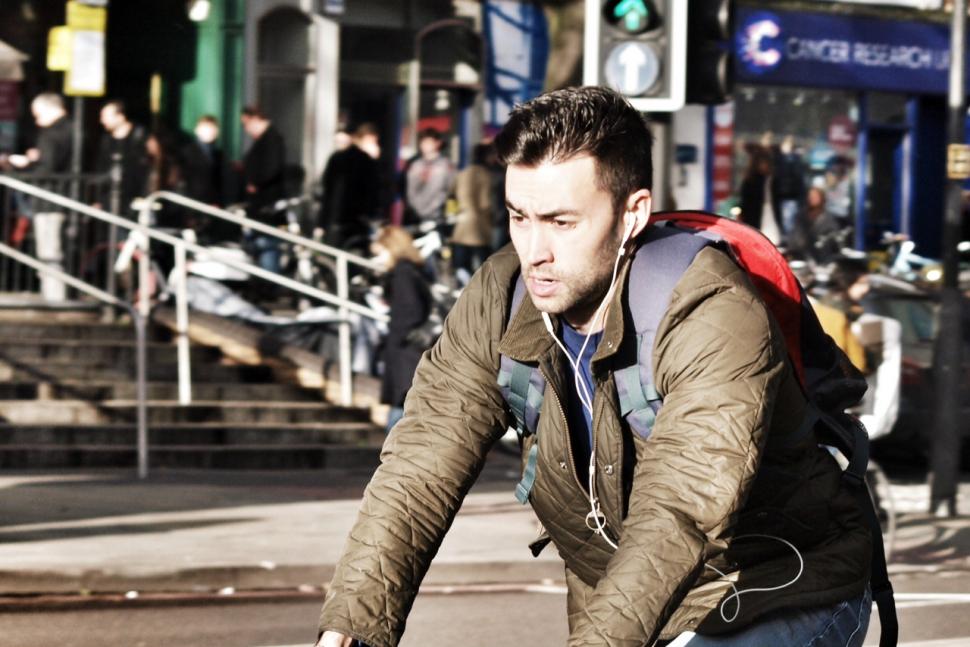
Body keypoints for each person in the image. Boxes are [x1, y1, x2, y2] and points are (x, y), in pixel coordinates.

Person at [316, 87, 872, 647]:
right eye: (518, 217)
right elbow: (421, 464)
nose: (534, 250)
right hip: (622, 603)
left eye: (561, 222)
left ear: (633, 214)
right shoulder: (501, 295)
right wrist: (350, 625)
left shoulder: (711, 311)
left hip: (774, 589)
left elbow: (678, 509)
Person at [371, 226, 433, 433]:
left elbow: (410, 310)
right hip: (410, 352)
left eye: (381, 253)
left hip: (404, 354)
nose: (379, 259)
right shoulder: (412, 271)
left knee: (400, 416)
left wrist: (394, 340)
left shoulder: (402, 274)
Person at [319, 123, 382, 253]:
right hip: (356, 220)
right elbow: (374, 191)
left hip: (336, 220)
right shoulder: (365, 161)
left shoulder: (337, 158)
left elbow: (327, 190)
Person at [240, 106, 286, 273]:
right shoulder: (265, 140)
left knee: (268, 245)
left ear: (255, 119)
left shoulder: (272, 139)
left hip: (267, 206)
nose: (245, 129)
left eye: (246, 124)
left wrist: (255, 182)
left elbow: (271, 168)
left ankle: (270, 284)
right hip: (260, 206)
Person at [96, 100, 150, 215]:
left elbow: (152, 167)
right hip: (110, 197)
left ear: (120, 117)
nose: (102, 121)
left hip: (135, 197)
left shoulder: (141, 136)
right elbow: (102, 167)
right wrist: (99, 199)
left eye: (105, 116)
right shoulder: (106, 140)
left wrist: (146, 194)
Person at [450, 142, 494, 284]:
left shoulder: (462, 173)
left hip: (460, 224)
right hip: (478, 226)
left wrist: (454, 214)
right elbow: (485, 203)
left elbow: (452, 197)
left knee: (461, 265)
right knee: (483, 269)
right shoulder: (485, 175)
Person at [5, 92, 73, 174]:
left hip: (53, 184)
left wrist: (27, 164)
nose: (37, 122)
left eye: (38, 115)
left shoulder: (50, 134)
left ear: (49, 109)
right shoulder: (77, 129)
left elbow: (45, 169)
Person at [405, 128, 454, 232]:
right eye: (423, 141)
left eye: (429, 142)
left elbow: (452, 191)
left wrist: (450, 214)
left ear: (437, 143)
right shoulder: (415, 165)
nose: (425, 145)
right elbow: (410, 191)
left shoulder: (446, 166)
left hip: (438, 218)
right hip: (415, 216)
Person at [738, 148, 782, 245]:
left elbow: (777, 200)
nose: (764, 166)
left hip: (769, 212)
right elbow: (745, 201)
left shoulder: (772, 180)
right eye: (762, 163)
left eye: (766, 163)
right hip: (754, 214)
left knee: (772, 238)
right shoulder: (751, 181)